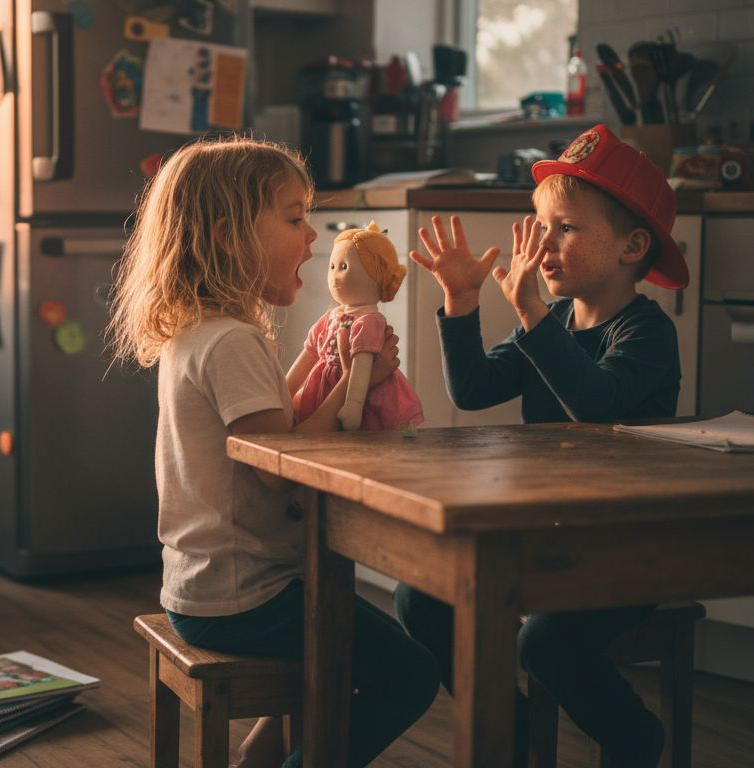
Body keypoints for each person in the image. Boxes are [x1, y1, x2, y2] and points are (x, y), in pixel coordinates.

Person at [107, 136, 439, 768]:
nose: (313, 238)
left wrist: (322, 358)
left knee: (352, 655)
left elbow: (270, 422)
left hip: (202, 589)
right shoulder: (232, 342)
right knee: (410, 672)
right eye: (293, 217)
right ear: (230, 236)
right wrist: (353, 384)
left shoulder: (201, 335)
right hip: (245, 597)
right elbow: (279, 469)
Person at [396, 124, 689, 768]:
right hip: (551, 537)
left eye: (565, 228)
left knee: (546, 643)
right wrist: (462, 301)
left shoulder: (645, 333)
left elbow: (596, 405)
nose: (542, 244)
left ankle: (633, 737)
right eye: (539, 224)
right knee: (419, 596)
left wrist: (529, 315)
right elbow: (473, 389)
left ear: (632, 246)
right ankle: (520, 729)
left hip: (625, 548)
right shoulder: (553, 321)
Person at [289, 220, 424, 431]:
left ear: (376, 276)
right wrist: (285, 393)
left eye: (343, 267)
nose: (334, 275)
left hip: (361, 399)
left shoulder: (369, 321)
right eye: (332, 266)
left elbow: (360, 368)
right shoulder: (329, 317)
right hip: (323, 394)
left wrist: (354, 405)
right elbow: (310, 353)